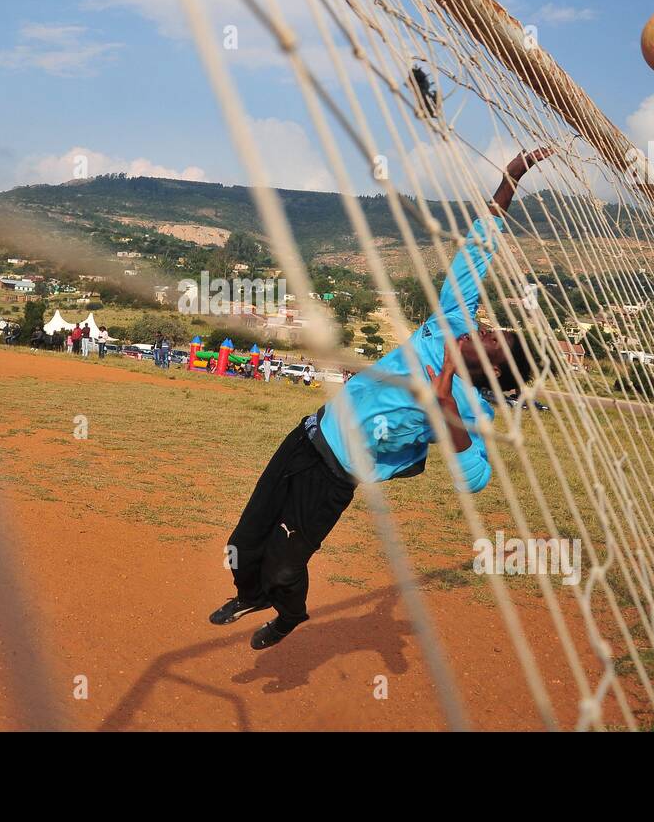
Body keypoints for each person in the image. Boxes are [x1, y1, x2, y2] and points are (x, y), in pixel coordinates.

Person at [209, 147, 552, 651]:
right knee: (244, 542)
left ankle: (288, 615)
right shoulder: (451, 323)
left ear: (495, 367)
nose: (486, 328)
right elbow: (477, 250)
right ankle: (248, 595)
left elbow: (475, 478)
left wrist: (445, 404)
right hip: (307, 437)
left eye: (494, 338)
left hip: (333, 478)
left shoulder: (470, 409)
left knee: (285, 566)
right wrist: (511, 178)